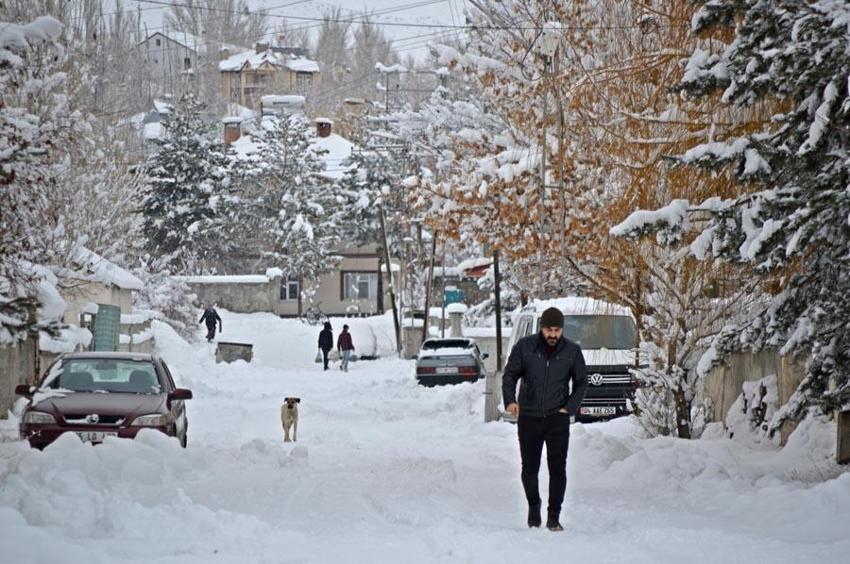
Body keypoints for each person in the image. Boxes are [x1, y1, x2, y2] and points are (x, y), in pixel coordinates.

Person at [502, 306, 587, 532]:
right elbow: (510, 375)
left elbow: (582, 383)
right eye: (549, 329)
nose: (553, 335)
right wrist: (510, 400)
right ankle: (533, 505)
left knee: (557, 468)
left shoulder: (572, 351)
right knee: (529, 468)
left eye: (557, 330)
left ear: (562, 330)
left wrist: (568, 409)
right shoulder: (525, 347)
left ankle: (553, 515)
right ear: (542, 328)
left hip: (556, 418)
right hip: (528, 417)